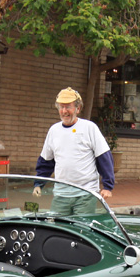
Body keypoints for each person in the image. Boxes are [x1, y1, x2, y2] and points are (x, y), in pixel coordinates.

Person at [33, 87, 115, 215]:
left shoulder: (89, 128)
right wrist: (38, 183)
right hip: (61, 194)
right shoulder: (54, 131)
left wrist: (108, 186)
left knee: (81, 231)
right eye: (61, 107)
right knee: (58, 229)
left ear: (78, 108)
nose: (64, 111)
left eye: (68, 107)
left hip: (86, 194)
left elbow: (104, 157)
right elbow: (46, 161)